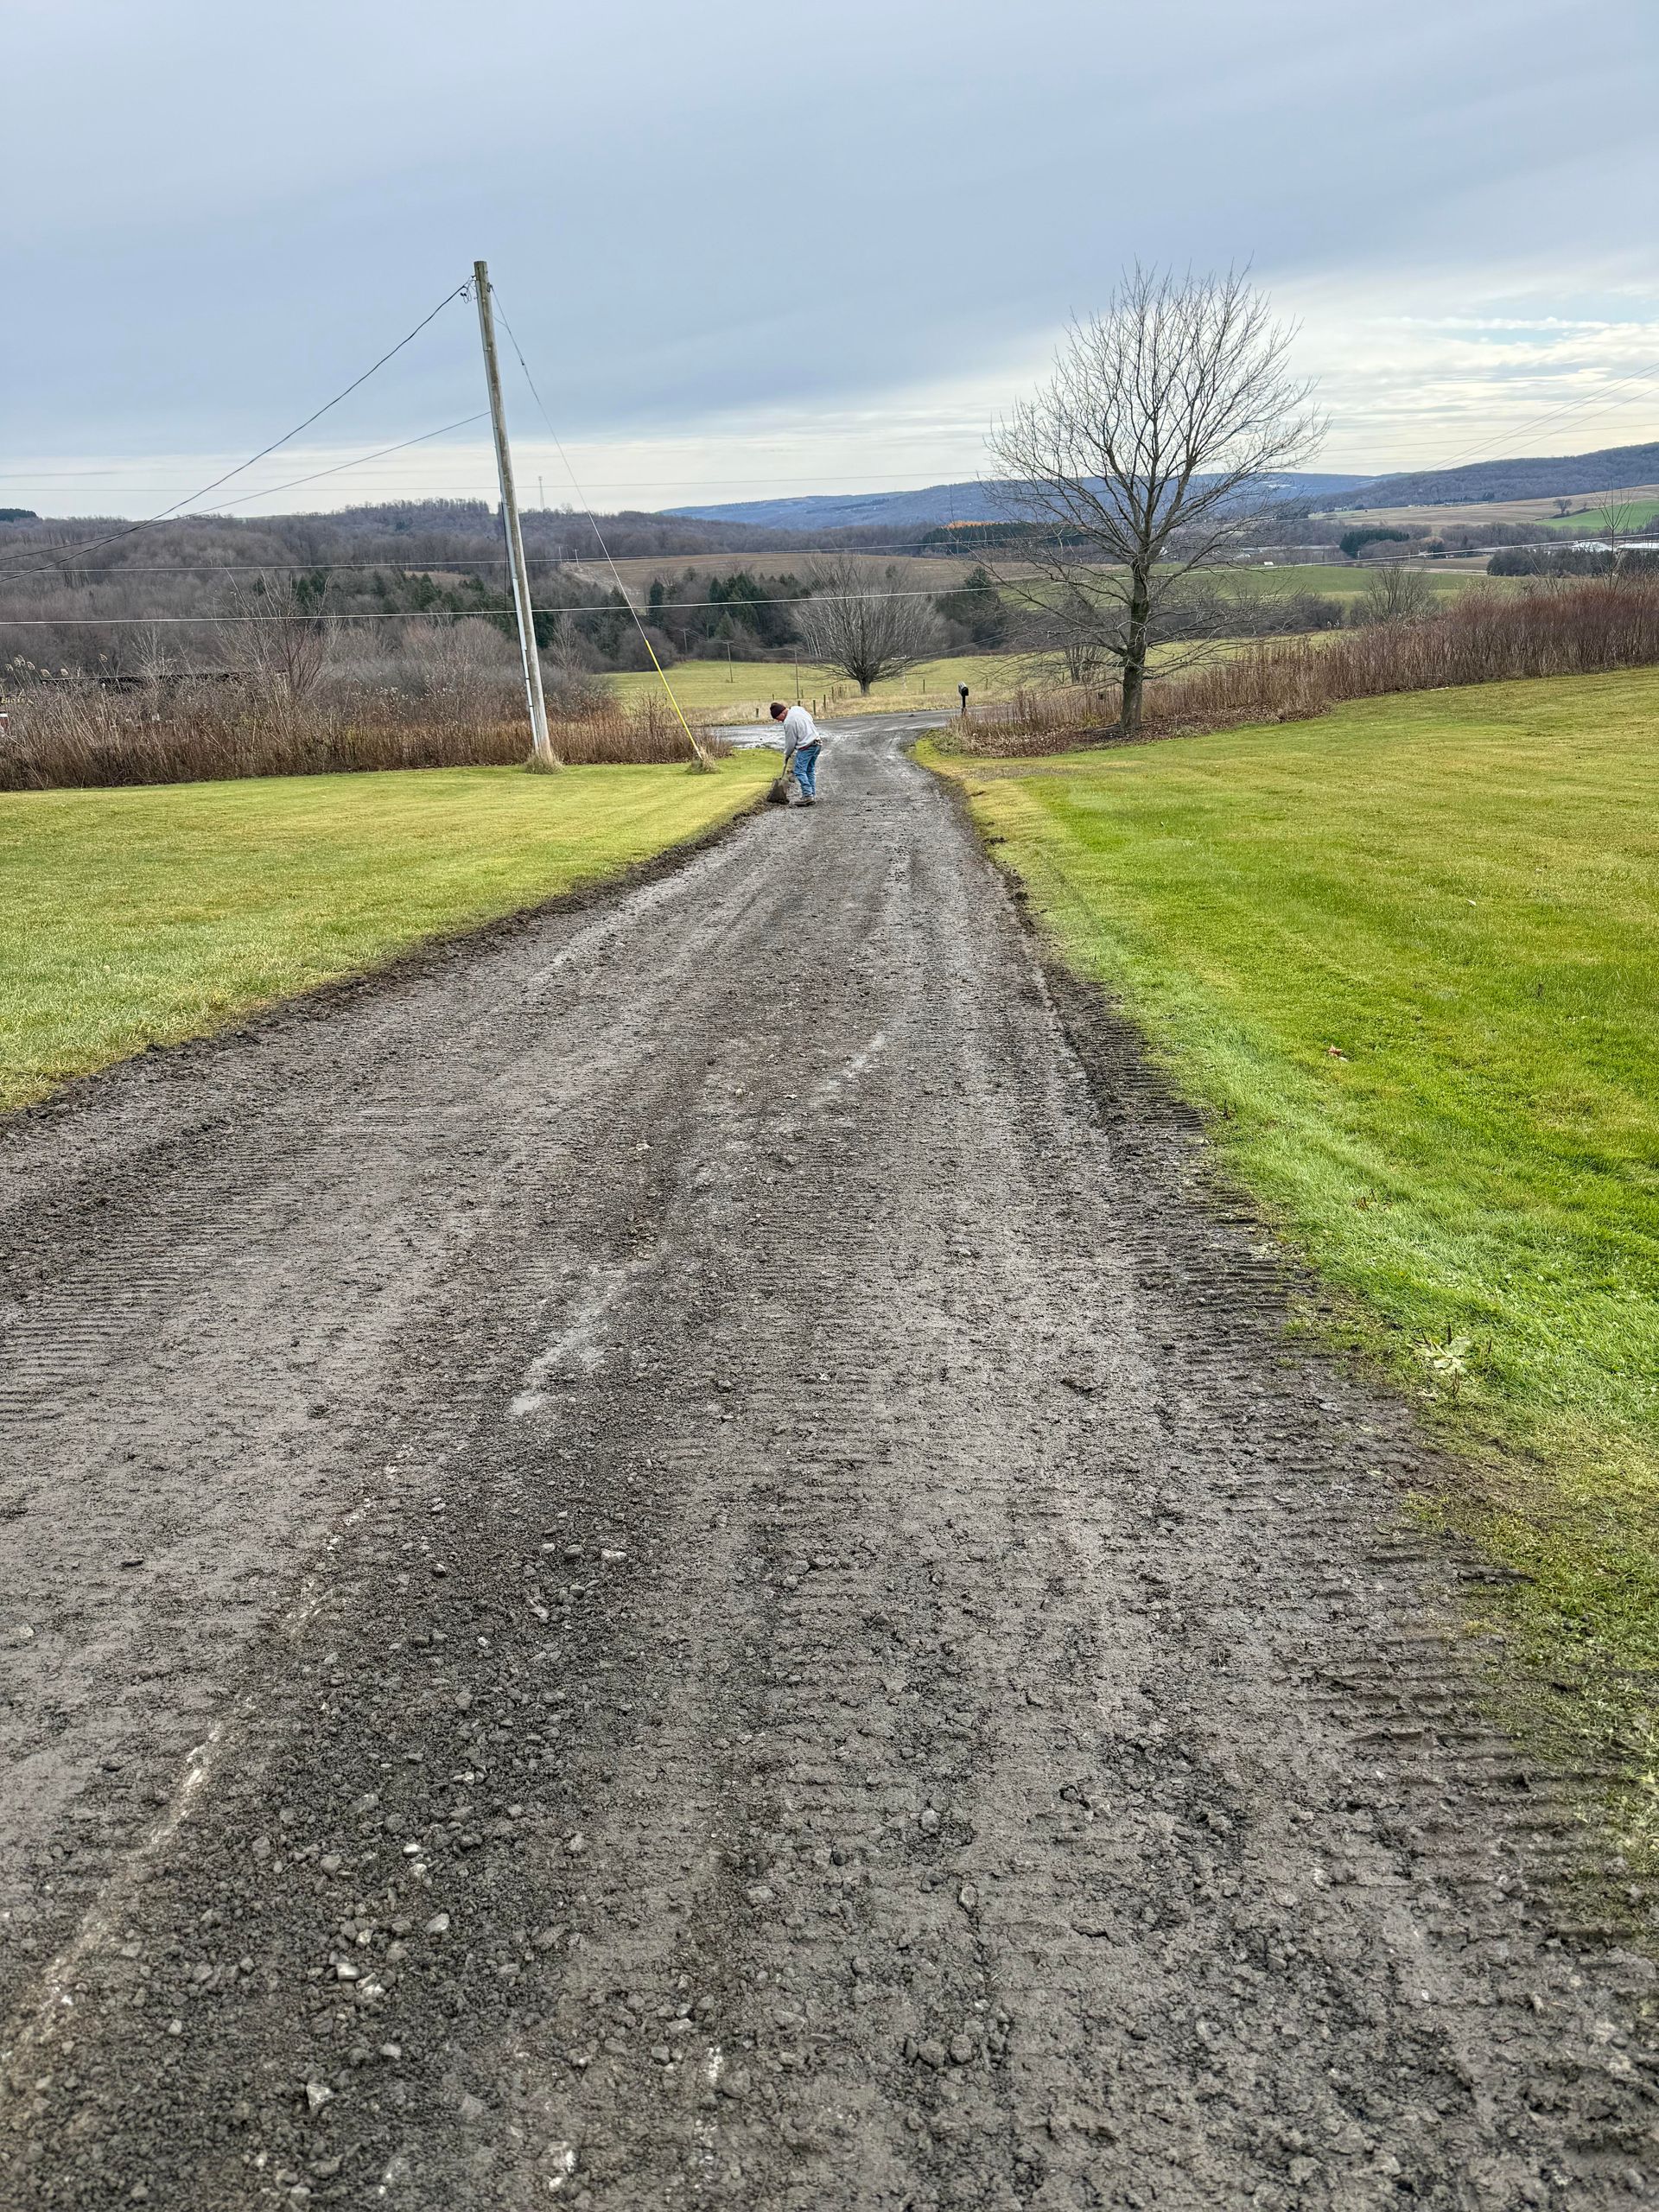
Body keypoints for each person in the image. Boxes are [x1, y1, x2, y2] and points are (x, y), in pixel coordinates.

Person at [770, 701, 823, 804]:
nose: (779, 721)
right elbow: (810, 719)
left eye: (777, 719)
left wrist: (787, 753)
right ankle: (811, 794)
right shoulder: (798, 709)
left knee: (799, 771)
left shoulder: (789, 722)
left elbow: (791, 742)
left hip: (806, 746)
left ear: (782, 714)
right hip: (817, 743)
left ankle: (807, 795)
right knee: (809, 770)